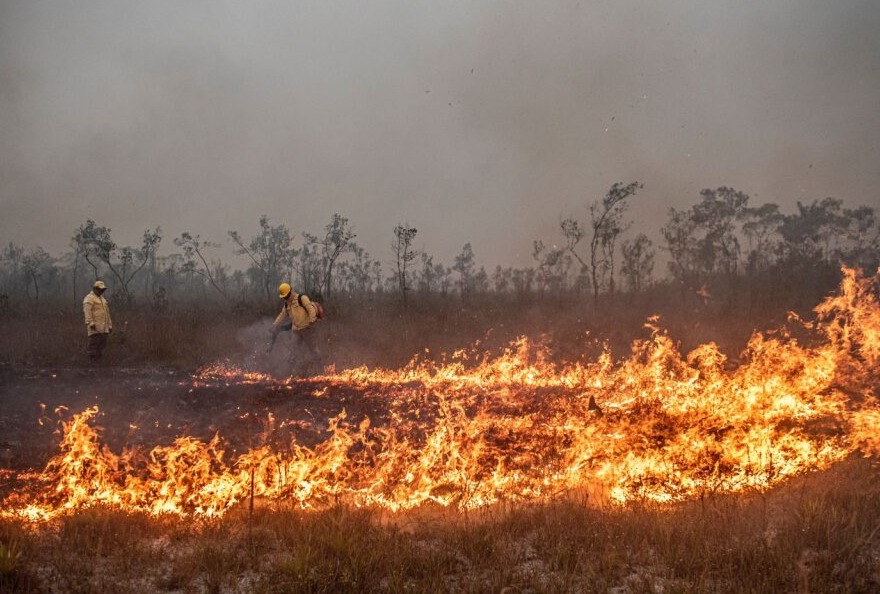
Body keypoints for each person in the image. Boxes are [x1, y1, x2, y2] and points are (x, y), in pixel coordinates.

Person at [269, 283, 321, 369]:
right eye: (284, 297)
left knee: (313, 349)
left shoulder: (302, 298)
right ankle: (291, 371)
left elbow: (310, 309)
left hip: (306, 329)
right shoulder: (287, 305)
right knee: (294, 351)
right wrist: (274, 325)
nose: (286, 298)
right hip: (296, 331)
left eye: (287, 296)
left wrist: (312, 320)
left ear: (291, 291)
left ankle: (320, 368)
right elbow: (282, 315)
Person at [83, 280, 112, 363]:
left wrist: (109, 325)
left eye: (103, 290)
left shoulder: (103, 299)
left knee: (102, 345)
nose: (101, 291)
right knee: (94, 345)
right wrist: (90, 322)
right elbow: (87, 312)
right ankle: (92, 362)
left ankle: (98, 362)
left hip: (104, 327)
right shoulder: (89, 298)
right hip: (95, 327)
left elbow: (107, 313)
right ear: (95, 288)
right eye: (100, 289)